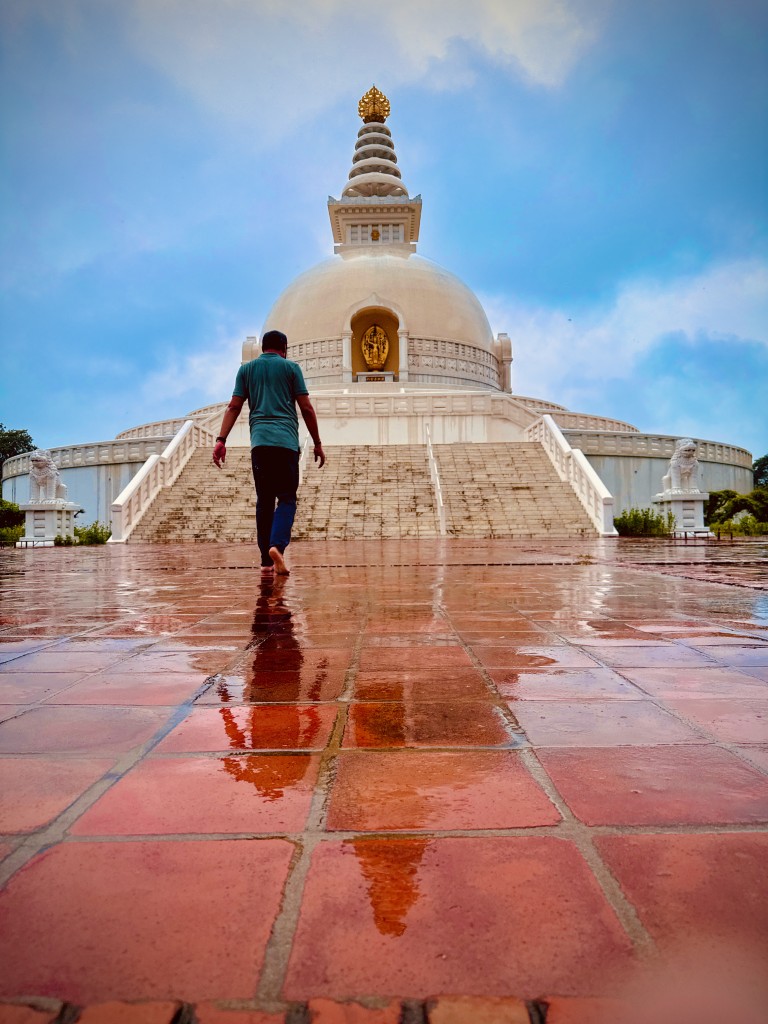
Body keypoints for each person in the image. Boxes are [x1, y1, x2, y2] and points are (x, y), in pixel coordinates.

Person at [213, 330, 325, 576]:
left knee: (264, 501)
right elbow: (306, 408)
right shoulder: (291, 368)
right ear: (284, 348)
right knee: (286, 498)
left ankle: (265, 560)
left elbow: (234, 406)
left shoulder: (246, 371)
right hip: (285, 444)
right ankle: (277, 546)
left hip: (260, 444)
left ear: (263, 347)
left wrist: (221, 440)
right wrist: (317, 442)